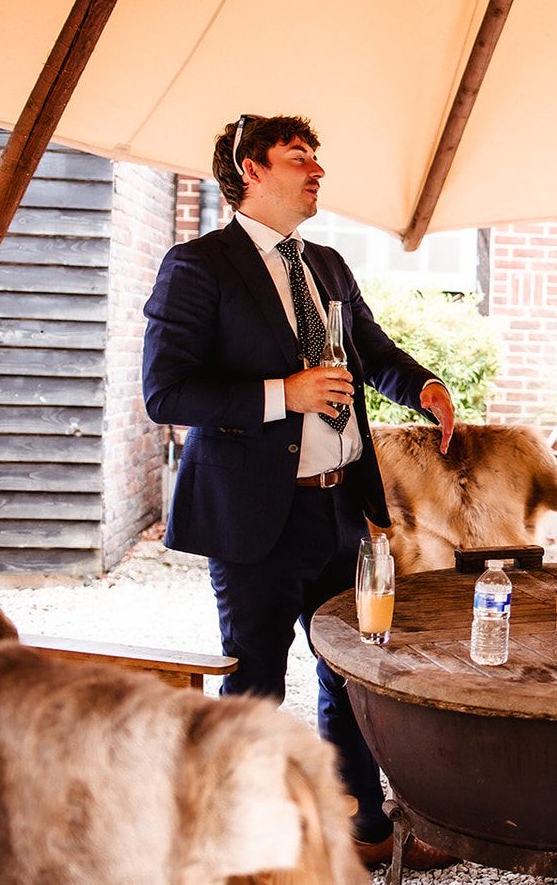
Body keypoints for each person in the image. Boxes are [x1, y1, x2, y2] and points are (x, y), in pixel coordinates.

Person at [142, 114, 459, 870]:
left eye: (318, 159)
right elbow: (166, 392)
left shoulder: (327, 264)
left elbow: (371, 352)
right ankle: (238, 840)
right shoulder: (197, 266)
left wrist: (426, 387)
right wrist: (284, 392)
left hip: (342, 505)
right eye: (299, 159)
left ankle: (365, 832)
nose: (317, 172)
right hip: (252, 515)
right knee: (254, 680)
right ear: (252, 170)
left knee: (349, 671)